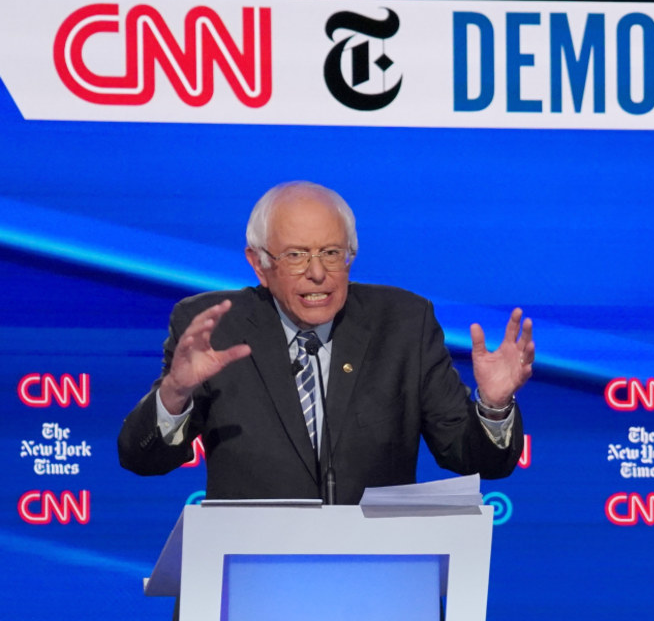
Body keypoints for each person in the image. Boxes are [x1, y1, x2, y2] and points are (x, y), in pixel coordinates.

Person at [118, 181, 533, 502]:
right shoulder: (216, 328)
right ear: (259, 265)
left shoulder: (404, 324)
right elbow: (143, 459)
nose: (318, 273)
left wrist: (493, 407)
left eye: (332, 253)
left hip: (377, 585)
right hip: (248, 589)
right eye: (296, 255)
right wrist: (175, 394)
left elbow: (476, 460)